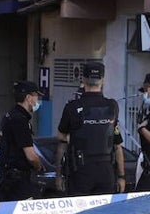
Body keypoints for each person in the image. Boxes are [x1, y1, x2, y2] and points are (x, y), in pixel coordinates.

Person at [0, 80, 49, 214]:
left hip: (8, 177)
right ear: (28, 98)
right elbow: (30, 155)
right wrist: (39, 165)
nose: (37, 101)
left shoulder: (10, 115)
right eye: (36, 97)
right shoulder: (20, 119)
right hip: (18, 179)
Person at [54, 61, 126, 195]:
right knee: (104, 213)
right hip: (106, 172)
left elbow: (61, 140)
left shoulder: (72, 107)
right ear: (103, 80)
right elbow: (117, 145)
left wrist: (58, 175)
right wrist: (121, 176)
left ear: (83, 79)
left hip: (80, 171)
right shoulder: (112, 106)